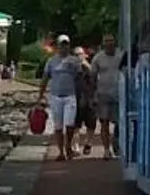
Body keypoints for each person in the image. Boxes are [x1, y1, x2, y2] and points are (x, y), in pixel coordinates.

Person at [42, 33, 81, 161]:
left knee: (70, 124)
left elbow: (79, 76)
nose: (64, 47)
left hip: (70, 96)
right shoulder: (51, 61)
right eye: (61, 45)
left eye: (66, 45)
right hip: (56, 96)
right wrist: (40, 95)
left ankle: (68, 146)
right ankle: (61, 152)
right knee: (58, 126)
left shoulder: (74, 61)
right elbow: (45, 78)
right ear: (57, 46)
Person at [89, 30, 122, 160]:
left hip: (119, 94)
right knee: (104, 123)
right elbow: (92, 77)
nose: (109, 43)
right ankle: (106, 150)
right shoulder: (98, 58)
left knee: (120, 122)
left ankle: (117, 142)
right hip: (103, 94)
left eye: (111, 41)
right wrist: (92, 95)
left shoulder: (121, 55)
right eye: (106, 41)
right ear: (103, 44)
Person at [72, 46, 99, 155]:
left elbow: (95, 79)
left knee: (91, 125)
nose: (78, 57)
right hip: (76, 99)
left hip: (89, 99)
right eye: (76, 55)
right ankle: (76, 147)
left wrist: (86, 66)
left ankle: (88, 143)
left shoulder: (89, 66)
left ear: (84, 55)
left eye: (80, 54)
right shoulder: (72, 68)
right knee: (76, 126)